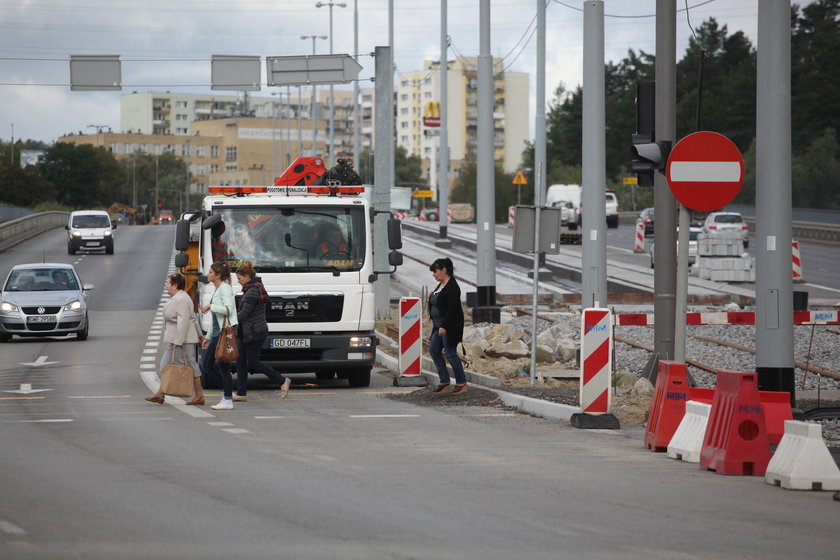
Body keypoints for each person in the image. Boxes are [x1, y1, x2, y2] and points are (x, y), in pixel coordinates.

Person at [232, 262, 292, 400]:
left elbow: (245, 312)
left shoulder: (253, 290)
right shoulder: (251, 288)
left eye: (239, 278)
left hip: (254, 332)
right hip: (246, 332)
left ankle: (282, 380)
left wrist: (230, 320)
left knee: (253, 363)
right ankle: (241, 393)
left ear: (247, 276)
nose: (238, 281)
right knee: (241, 362)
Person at [145, 273, 207, 405]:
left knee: (190, 365)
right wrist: (200, 335)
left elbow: (184, 321)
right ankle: (160, 394)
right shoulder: (177, 298)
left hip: (182, 340)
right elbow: (193, 318)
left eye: (168, 283)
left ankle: (199, 395)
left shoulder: (181, 299)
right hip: (176, 339)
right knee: (166, 365)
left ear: (175, 285)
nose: (167, 286)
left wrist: (179, 342)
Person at [199, 261, 239, 410]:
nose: (208, 274)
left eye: (210, 272)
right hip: (217, 333)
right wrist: (207, 338)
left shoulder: (225, 289)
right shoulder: (218, 289)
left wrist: (211, 306)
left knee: (214, 365)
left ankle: (227, 397)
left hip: (224, 333)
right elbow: (216, 320)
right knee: (212, 365)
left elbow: (228, 310)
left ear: (218, 275)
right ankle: (227, 393)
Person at [427, 257, 467, 395]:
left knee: (450, 353)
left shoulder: (452, 287)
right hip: (438, 326)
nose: (434, 274)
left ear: (444, 270)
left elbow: (452, 310)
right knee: (433, 349)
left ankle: (461, 383)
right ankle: (444, 381)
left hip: (449, 326)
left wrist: (444, 326)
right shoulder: (440, 285)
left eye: (435, 271)